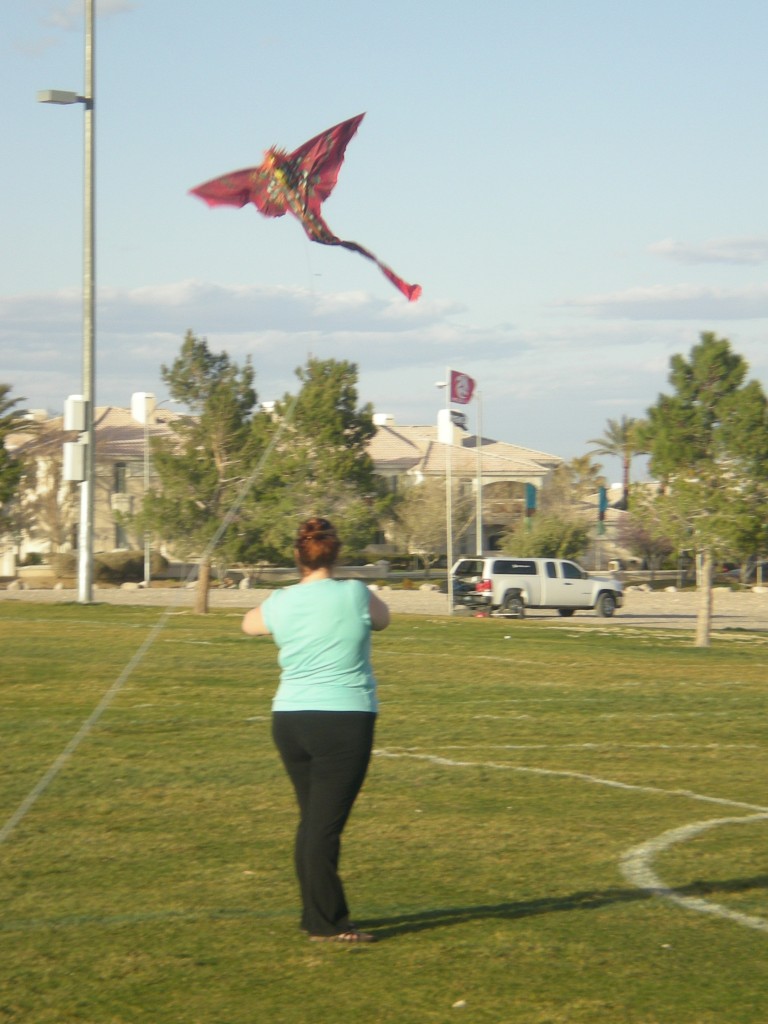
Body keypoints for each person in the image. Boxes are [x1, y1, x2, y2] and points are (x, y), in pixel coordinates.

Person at [242, 516, 390, 944]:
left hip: (290, 721)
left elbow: (250, 624)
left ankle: (315, 917)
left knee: (313, 824)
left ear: (297, 555)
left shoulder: (282, 599)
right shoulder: (356, 594)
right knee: (323, 828)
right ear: (336, 553)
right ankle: (328, 923)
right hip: (344, 721)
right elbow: (383, 621)